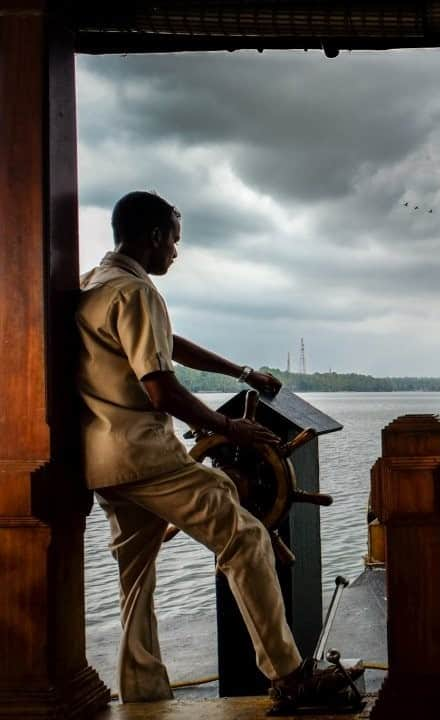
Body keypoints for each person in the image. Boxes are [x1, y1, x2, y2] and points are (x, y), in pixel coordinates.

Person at [77, 191, 349, 708]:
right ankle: (289, 675)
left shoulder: (94, 286)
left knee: (135, 584)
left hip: (102, 462)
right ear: (153, 236)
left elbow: (167, 340)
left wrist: (239, 372)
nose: (176, 253)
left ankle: (142, 694)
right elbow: (161, 387)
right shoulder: (137, 293)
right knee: (245, 537)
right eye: (174, 241)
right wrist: (232, 427)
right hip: (145, 455)